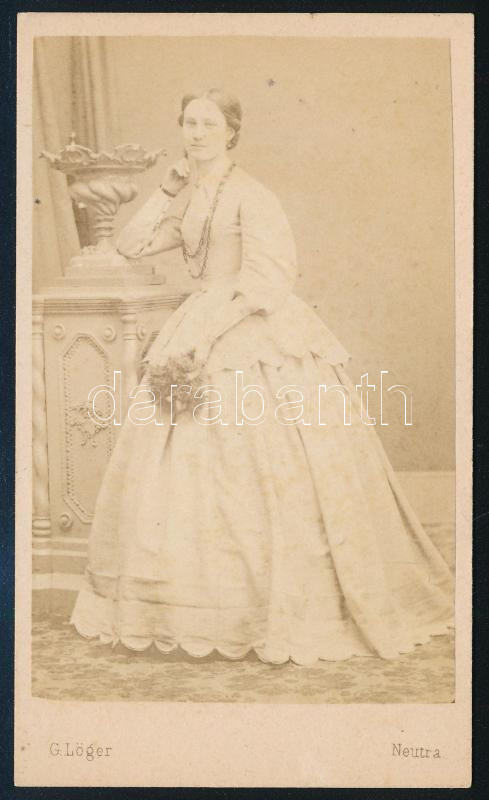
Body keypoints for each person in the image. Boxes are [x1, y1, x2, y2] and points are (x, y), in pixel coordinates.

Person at [70, 89, 453, 665]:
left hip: (247, 326)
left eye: (209, 123)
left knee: (267, 461)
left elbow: (267, 283)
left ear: (231, 132)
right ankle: (189, 606)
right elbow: (130, 245)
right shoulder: (192, 197)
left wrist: (206, 337)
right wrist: (167, 190)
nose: (197, 133)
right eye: (189, 122)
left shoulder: (253, 196)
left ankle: (276, 608)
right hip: (198, 315)